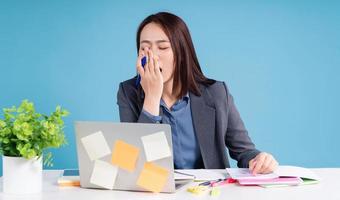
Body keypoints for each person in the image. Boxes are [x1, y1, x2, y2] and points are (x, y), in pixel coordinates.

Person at [117, 12, 278, 174]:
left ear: (181, 53)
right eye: (144, 48)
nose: (152, 57)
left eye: (163, 47)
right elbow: (132, 164)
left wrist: (259, 160)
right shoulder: (128, 92)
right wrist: (151, 98)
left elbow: (244, 151)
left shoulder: (216, 93)